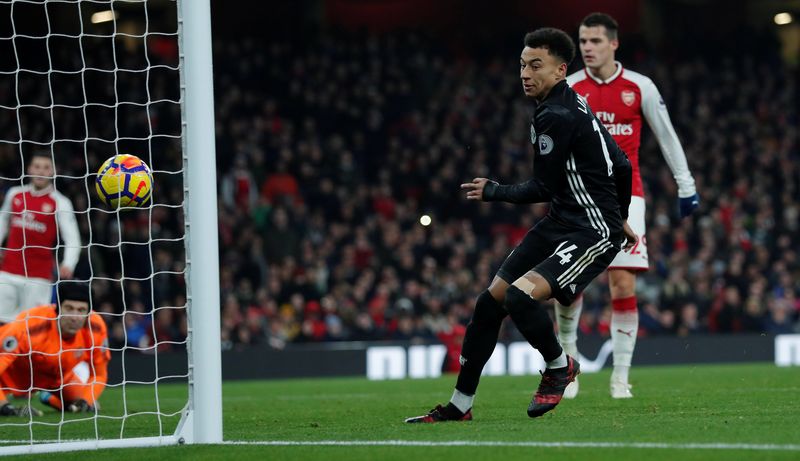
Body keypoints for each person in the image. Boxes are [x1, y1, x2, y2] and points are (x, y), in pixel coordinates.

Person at [406, 27, 635, 423]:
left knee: (520, 297)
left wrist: (495, 191)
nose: (525, 73)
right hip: (561, 221)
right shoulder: (570, 104)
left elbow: (542, 186)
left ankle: (560, 365)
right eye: (522, 65)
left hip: (590, 231)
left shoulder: (557, 115)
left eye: (536, 65)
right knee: (489, 302)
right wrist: (624, 213)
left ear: (561, 70)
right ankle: (461, 405)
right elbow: (623, 165)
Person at [560, 12, 700, 399]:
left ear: (613, 43)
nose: (587, 48)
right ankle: (567, 369)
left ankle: (620, 376)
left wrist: (685, 185)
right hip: (580, 198)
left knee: (622, 283)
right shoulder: (569, 88)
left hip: (627, 198)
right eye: (583, 41)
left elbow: (667, 137)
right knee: (569, 285)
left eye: (594, 41)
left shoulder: (640, 87)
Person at [0, 281, 109, 417]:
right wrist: (6, 408)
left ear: (88, 313)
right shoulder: (29, 326)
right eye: (69, 308)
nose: (74, 317)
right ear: (58, 309)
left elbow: (99, 374)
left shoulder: (96, 328)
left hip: (58, 378)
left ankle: (49, 398)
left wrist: (86, 399)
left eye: (81, 310)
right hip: (8, 377)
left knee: (90, 404)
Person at [0, 152, 81, 323]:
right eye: (37, 167)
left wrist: (68, 263)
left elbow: (72, 238)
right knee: (3, 323)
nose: (41, 172)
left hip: (38, 278)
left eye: (46, 168)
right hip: (7, 271)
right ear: (29, 169)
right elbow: (2, 222)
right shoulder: (15, 194)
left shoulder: (60, 202)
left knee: (31, 327)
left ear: (53, 172)